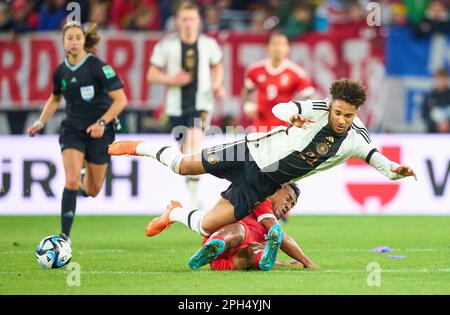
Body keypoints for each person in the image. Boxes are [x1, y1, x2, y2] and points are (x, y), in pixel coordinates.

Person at [108, 78, 416, 240]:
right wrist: (292, 116)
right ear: (331, 104)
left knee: (205, 227)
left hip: (264, 184)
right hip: (249, 152)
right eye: (338, 112)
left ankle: (173, 213)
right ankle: (141, 147)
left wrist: (396, 170)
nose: (340, 119)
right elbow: (283, 107)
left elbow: (381, 164)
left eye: (348, 116)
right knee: (181, 165)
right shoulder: (318, 108)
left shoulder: (355, 139)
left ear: (356, 113)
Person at [27, 21, 128, 244]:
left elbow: (121, 100)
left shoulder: (98, 67)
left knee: (92, 190)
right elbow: (55, 98)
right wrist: (40, 122)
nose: (74, 42)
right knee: (70, 179)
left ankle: (84, 181)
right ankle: (64, 236)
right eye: (69, 38)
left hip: (101, 131)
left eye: (78, 38)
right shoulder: (60, 71)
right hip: (72, 129)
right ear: (63, 42)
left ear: (84, 41)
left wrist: (102, 122)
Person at [147, 0, 224, 209]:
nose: (188, 23)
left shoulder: (208, 44)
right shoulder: (166, 45)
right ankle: (193, 192)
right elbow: (151, 75)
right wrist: (171, 79)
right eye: (184, 19)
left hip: (202, 104)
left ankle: (194, 200)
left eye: (192, 19)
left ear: (198, 21)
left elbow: (217, 67)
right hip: (175, 108)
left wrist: (217, 85)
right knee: (185, 155)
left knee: (192, 145)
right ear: (178, 22)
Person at [188, 184, 318, 271]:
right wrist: (308, 262)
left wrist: (285, 264)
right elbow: (281, 236)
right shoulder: (261, 201)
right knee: (241, 230)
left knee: (256, 249)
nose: (289, 205)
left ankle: (260, 260)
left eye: (292, 204)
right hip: (227, 240)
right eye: (288, 198)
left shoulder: (269, 230)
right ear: (274, 191)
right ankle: (214, 246)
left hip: (225, 263)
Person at [242, 32, 314, 132]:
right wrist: (247, 105)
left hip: (285, 126)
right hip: (260, 125)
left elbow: (309, 96)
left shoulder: (296, 72)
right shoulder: (255, 70)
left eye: (281, 44)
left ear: (288, 48)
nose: (278, 48)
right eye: (274, 44)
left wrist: (303, 113)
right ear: (267, 47)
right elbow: (247, 91)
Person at [422, 68, 450, 133]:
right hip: (432, 132)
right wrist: (436, 125)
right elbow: (424, 113)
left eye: (443, 79)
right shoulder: (429, 96)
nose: (440, 81)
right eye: (439, 79)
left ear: (446, 79)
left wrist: (447, 124)